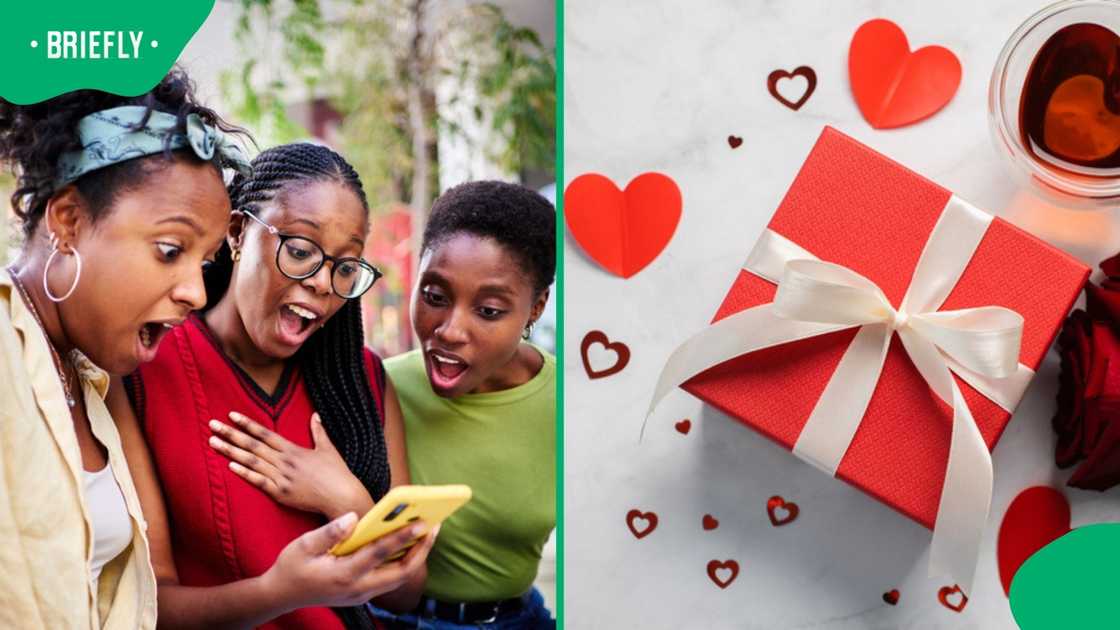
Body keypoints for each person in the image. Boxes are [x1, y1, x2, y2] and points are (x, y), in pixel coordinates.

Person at [110, 142, 433, 630]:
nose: (324, 284)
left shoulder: (361, 379)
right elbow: (148, 606)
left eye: (345, 267)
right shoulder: (144, 367)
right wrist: (281, 592)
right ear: (238, 233)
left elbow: (408, 591)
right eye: (301, 251)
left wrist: (346, 499)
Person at [0, 69, 247, 629]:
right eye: (169, 249)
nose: (197, 292)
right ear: (68, 220)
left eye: (204, 261)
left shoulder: (89, 378)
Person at [370, 181, 557, 629]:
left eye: (489, 310)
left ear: (536, 308)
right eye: (435, 297)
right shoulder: (380, 389)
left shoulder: (567, 402)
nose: (451, 330)